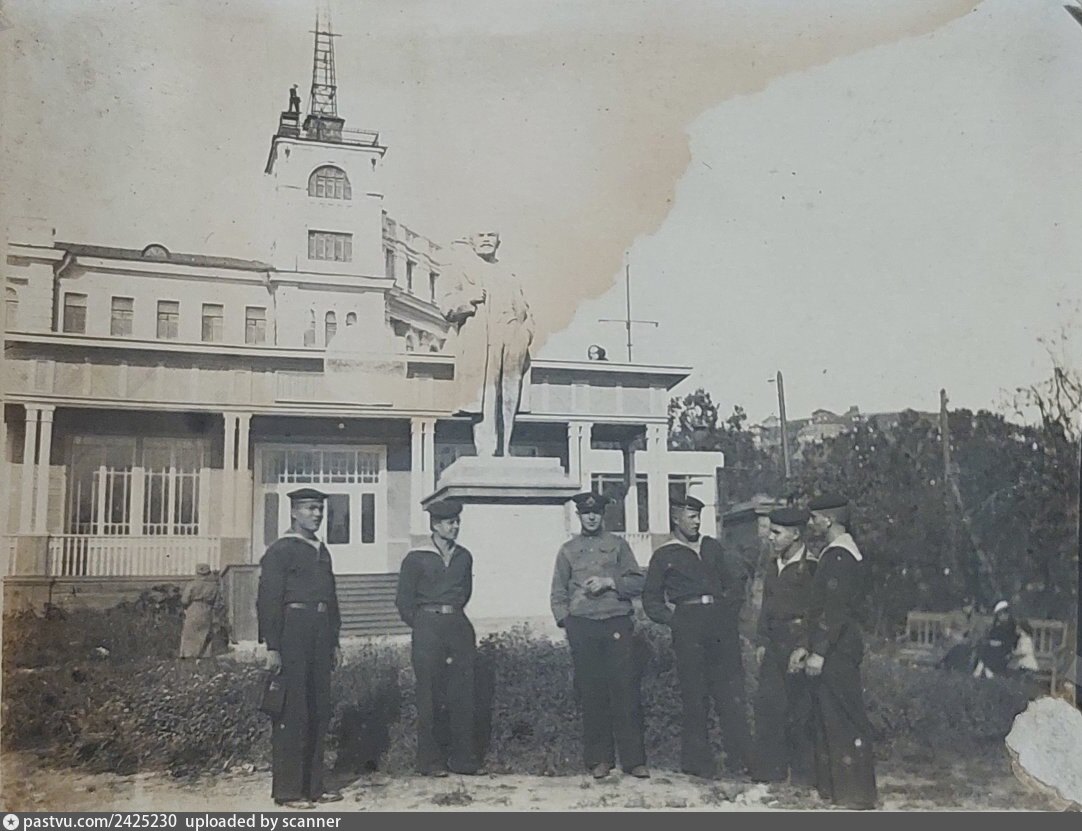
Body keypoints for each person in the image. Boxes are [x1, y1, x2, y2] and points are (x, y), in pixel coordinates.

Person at [643, 493, 752, 779]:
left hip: (720, 624)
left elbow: (735, 582)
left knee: (731, 692)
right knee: (695, 694)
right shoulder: (664, 555)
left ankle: (740, 760)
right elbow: (651, 600)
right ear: (675, 518)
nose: (696, 522)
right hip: (688, 625)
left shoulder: (712, 547)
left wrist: (728, 612)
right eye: (691, 517)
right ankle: (698, 764)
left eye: (698, 517)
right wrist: (675, 621)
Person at [550, 491, 649, 780]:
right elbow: (557, 592)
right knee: (592, 692)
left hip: (616, 622)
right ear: (579, 515)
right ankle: (599, 759)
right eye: (586, 513)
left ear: (603, 515)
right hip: (583, 626)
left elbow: (638, 582)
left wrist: (609, 582)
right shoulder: (568, 550)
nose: (591, 517)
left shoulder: (618, 545)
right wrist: (567, 623)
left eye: (595, 512)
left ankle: (634, 761)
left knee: (625, 691)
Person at [256, 488, 344, 810]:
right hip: (292, 631)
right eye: (309, 508)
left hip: (320, 633)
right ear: (294, 512)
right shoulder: (280, 550)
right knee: (293, 711)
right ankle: (289, 792)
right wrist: (273, 646)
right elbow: (268, 600)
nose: (317, 514)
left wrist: (334, 640)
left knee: (319, 709)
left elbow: (331, 598)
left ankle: (314, 786)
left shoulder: (322, 550)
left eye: (319, 508)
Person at [792, 493, 877, 810]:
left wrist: (820, 651)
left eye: (814, 518)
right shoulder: (836, 553)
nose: (812, 524)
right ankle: (836, 789)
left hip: (838, 648)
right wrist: (808, 645)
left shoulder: (840, 556)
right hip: (833, 645)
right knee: (829, 717)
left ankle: (857, 794)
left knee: (844, 718)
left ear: (828, 520)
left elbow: (834, 610)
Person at [395, 499, 484, 776]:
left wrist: (450, 617)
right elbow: (404, 601)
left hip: (458, 625)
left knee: (462, 693)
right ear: (435, 525)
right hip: (428, 627)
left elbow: (464, 593)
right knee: (430, 694)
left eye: (457, 522)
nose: (454, 527)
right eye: (448, 522)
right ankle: (430, 761)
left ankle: (463, 759)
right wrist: (423, 624)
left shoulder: (464, 556)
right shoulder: (416, 558)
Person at [438, 230, 534, 457]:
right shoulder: (460, 269)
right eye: (480, 235)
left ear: (499, 241)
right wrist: (469, 297)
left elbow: (525, 309)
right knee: (485, 396)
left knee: (509, 394)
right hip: (482, 340)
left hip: (512, 338)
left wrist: (525, 335)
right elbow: (446, 307)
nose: (486, 239)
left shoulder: (509, 273)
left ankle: (504, 449)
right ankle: (486, 452)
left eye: (491, 235)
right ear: (471, 241)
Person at [750, 506, 817, 787]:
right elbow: (766, 607)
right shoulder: (773, 564)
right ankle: (770, 774)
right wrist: (762, 641)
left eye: (777, 533)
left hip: (797, 644)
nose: (770, 537)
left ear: (796, 534)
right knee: (768, 707)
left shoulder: (811, 567)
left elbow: (816, 612)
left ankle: (803, 777)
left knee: (800, 711)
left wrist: (804, 647)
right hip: (774, 644)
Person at [179, 563, 220, 659]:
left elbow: (184, 600)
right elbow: (217, 602)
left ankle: (188, 655)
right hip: (207, 609)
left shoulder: (192, 584)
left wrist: (186, 606)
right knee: (205, 633)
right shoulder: (214, 586)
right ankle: (204, 655)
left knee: (190, 633)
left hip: (193, 608)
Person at [973, 600, 1020, 679]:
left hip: (1004, 650)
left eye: (1003, 614)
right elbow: (991, 636)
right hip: (993, 648)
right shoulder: (997, 626)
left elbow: (1012, 640)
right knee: (984, 647)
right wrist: (991, 641)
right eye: (999, 615)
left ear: (1007, 614)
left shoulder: (1011, 626)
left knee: (989, 651)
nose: (1001, 617)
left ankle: (984, 670)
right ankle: (985, 670)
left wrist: (1000, 643)